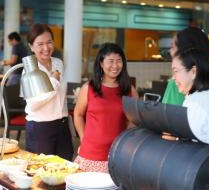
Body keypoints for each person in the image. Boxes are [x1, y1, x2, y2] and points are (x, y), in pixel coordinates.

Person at [164, 28, 209, 152]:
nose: (173, 78)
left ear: (193, 71)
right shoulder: (208, 94)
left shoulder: (196, 102)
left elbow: (184, 140)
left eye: (176, 71)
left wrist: (175, 139)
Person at [74, 43, 138, 173]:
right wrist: (83, 137)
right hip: (90, 154)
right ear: (101, 63)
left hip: (117, 154)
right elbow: (78, 114)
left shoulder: (129, 90)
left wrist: (124, 141)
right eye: (110, 61)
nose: (115, 66)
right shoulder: (88, 88)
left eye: (119, 61)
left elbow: (135, 120)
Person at [24, 23, 73, 160]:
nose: (46, 48)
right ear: (31, 46)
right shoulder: (29, 70)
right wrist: (54, 81)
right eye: (40, 44)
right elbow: (33, 104)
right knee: (41, 171)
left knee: (65, 167)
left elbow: (60, 96)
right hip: (40, 128)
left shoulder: (58, 63)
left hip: (62, 125)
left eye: (49, 42)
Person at [162, 27, 209, 105]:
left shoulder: (177, 84)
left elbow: (165, 115)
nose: (170, 52)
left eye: (172, 47)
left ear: (187, 53)